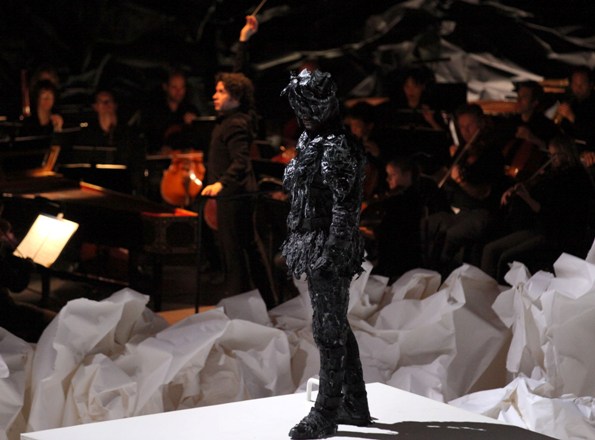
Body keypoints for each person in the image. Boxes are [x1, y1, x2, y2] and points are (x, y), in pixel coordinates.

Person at [281, 69, 371, 439]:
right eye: (299, 107)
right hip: (313, 239)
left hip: (329, 245)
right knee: (334, 324)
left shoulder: (337, 146)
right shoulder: (311, 138)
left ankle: (326, 412)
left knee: (327, 330)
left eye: (307, 105)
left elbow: (345, 207)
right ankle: (356, 403)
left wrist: (333, 253)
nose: (302, 114)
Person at [200, 72, 275, 308]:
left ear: (236, 97)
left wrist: (221, 183)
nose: (215, 95)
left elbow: (241, 161)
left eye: (221, 91)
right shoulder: (234, 119)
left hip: (234, 197)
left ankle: (240, 306)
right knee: (249, 251)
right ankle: (266, 302)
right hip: (237, 196)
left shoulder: (235, 124)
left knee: (234, 254)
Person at [481, 134, 595, 282]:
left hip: (556, 234)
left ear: (565, 153)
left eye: (555, 155)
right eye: (550, 155)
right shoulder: (554, 175)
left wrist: (527, 198)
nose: (551, 159)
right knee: (490, 249)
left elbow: (550, 214)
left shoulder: (573, 178)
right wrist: (516, 191)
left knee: (506, 258)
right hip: (539, 228)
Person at [426, 103, 506, 274]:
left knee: (451, 235)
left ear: (481, 124)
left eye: (470, 126)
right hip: (459, 210)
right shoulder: (464, 149)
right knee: (428, 225)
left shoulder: (492, 152)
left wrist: (461, 181)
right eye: (461, 127)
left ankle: (444, 274)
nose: (465, 131)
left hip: (482, 212)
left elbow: (483, 193)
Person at [0, 218, 56, 342]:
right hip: (5, 313)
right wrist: (27, 268)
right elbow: (17, 286)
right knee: (54, 320)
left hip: (4, 309)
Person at [500, 81, 558, 181]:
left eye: (524, 97)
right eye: (518, 96)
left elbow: (554, 151)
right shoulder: (511, 122)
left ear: (534, 102)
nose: (518, 100)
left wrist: (532, 138)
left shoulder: (546, 126)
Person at [141, 68, 199, 154]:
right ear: (165, 87)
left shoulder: (190, 110)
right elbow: (149, 136)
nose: (179, 92)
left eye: (182, 87)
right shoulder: (154, 111)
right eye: (174, 87)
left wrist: (196, 123)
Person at [554, 65, 595, 151]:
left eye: (582, 84)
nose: (578, 88)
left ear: (591, 84)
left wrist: (571, 116)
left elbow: (590, 133)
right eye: (575, 84)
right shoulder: (572, 102)